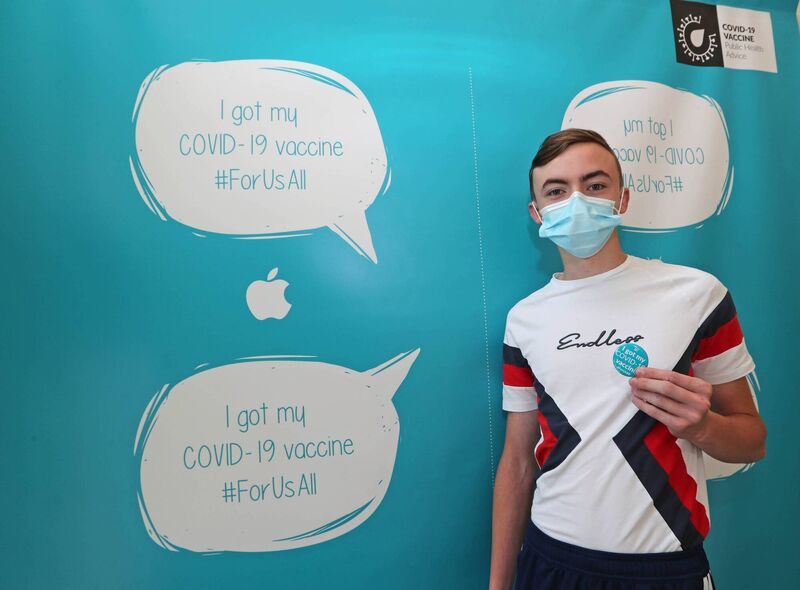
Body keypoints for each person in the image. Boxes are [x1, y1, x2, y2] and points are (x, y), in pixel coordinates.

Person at [489, 129, 766, 590]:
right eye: (557, 191)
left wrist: (702, 427)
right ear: (537, 213)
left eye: (595, 185)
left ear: (622, 199)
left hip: (664, 567)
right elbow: (518, 462)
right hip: (550, 559)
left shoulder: (697, 295)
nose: (577, 200)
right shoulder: (524, 320)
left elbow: (752, 441)